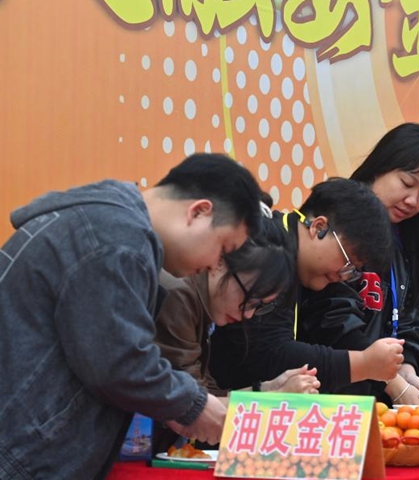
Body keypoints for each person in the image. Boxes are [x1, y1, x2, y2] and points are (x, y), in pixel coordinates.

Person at [0, 153, 265, 479]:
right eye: (223, 249)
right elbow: (119, 362)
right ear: (198, 212)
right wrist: (193, 404)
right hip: (20, 456)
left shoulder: (106, 224)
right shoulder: (118, 238)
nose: (215, 265)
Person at [298, 122, 419, 406]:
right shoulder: (342, 220)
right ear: (380, 167)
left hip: (373, 399)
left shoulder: (406, 239)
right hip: (326, 394)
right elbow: (334, 320)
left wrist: (407, 368)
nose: (413, 200)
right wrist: (392, 383)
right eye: (407, 184)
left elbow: (408, 317)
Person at [209, 178, 405, 394]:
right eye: (348, 262)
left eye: (353, 271)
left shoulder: (312, 268)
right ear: (318, 227)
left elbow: (338, 326)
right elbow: (268, 353)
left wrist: (388, 374)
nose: (343, 275)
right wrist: (363, 364)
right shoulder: (269, 249)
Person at [153, 199, 319, 452]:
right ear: (220, 260)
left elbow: (203, 392)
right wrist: (275, 400)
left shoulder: (205, 298)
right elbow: (185, 408)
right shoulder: (179, 292)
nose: (249, 315)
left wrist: (265, 389)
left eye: (260, 306)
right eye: (250, 300)